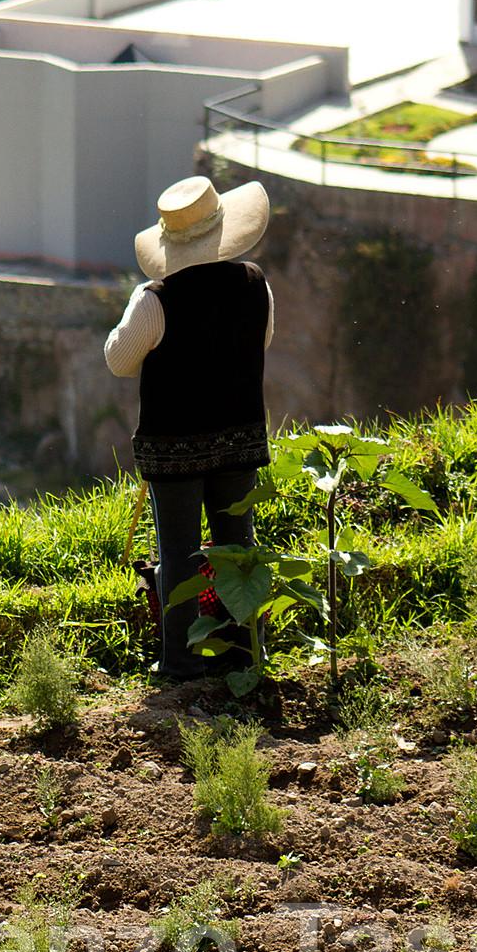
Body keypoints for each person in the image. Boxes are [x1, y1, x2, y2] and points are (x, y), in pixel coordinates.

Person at [104, 176, 275, 681]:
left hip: (173, 447)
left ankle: (179, 659)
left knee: (179, 551)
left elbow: (119, 359)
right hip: (240, 436)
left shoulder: (156, 298)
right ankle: (243, 651)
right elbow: (261, 340)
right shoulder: (254, 283)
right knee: (237, 546)